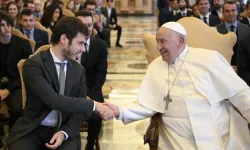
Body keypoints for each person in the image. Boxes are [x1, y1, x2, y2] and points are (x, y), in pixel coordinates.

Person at [105, 22, 250, 149]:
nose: (158, 47)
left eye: (163, 41)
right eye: (157, 42)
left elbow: (239, 93)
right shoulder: (156, 66)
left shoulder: (210, 59)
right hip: (176, 139)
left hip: (216, 133)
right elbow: (147, 104)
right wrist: (119, 111)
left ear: (180, 41)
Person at [7, 16, 114, 150]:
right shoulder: (33, 65)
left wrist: (64, 133)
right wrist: (94, 105)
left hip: (65, 127)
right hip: (34, 128)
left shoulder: (78, 69)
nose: (83, 49)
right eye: (80, 43)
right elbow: (53, 100)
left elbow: (79, 113)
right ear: (64, 39)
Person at [0, 9, 32, 150]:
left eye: (8, 24)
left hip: (16, 84)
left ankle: (13, 139)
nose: (6, 28)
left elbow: (27, 73)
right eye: (2, 25)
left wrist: (8, 90)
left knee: (17, 109)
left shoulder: (23, 44)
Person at [76, 10, 108, 150]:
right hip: (69, 91)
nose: (86, 29)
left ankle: (90, 144)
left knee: (97, 116)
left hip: (92, 90)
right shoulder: (67, 45)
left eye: (89, 25)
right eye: (82, 25)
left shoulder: (99, 45)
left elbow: (101, 74)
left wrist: (89, 96)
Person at [216, 1, 250, 65]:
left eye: (233, 10)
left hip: (243, 68)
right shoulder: (216, 30)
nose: (230, 14)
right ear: (223, 13)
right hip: (223, 67)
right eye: (227, 11)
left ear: (237, 12)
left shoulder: (246, 29)